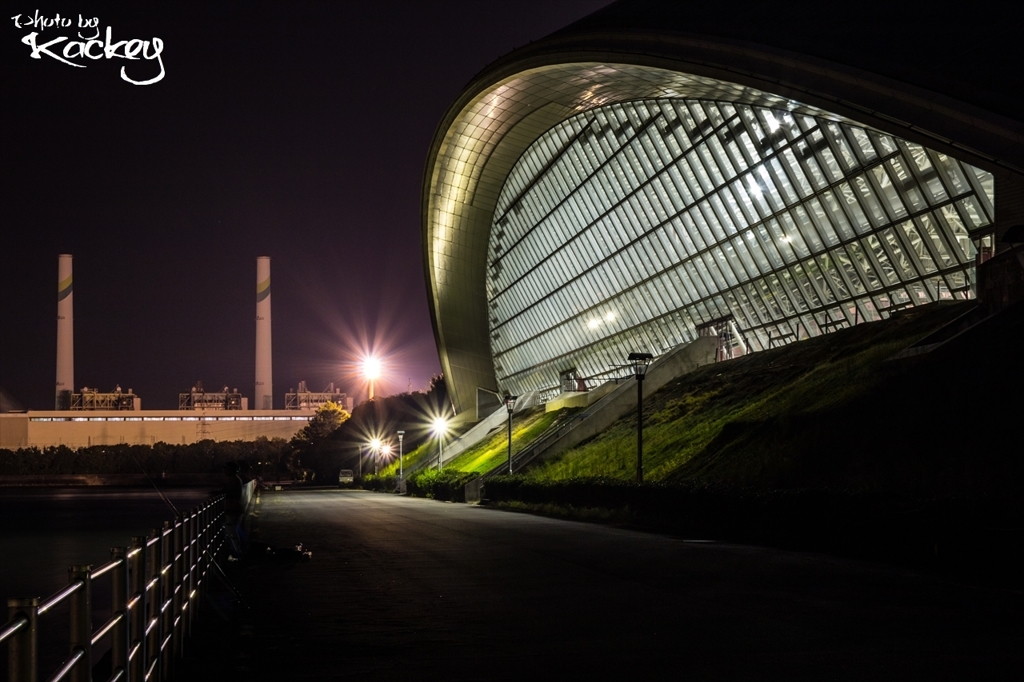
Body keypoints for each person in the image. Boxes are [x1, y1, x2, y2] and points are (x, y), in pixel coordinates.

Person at [222, 461, 245, 559]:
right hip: (235, 508)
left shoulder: (233, 480)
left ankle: (237, 552)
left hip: (232, 508)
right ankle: (237, 550)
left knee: (232, 531)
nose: (224, 470)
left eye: (226, 468)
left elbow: (229, 493)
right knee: (233, 530)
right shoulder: (236, 479)